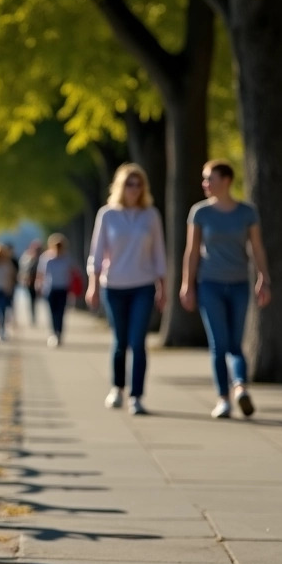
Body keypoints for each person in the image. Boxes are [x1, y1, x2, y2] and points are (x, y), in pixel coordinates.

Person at [179, 159, 271, 418]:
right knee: (219, 344)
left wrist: (264, 278)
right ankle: (223, 399)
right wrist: (187, 284)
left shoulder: (246, 212)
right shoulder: (200, 212)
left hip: (239, 284)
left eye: (210, 178)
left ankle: (240, 387)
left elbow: (257, 248)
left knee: (235, 343)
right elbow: (192, 251)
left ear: (226, 180)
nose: (205, 183)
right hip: (210, 285)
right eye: (204, 179)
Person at [86, 162, 167, 415]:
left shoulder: (151, 215)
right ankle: (117, 388)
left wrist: (162, 287)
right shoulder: (107, 214)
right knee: (120, 341)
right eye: (129, 183)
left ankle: (137, 396)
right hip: (114, 286)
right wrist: (93, 286)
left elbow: (159, 254)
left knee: (138, 341)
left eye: (138, 183)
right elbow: (97, 253)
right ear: (121, 186)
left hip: (143, 285)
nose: (134, 188)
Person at [35, 233, 74, 347]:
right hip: (50, 289)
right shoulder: (46, 258)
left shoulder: (67, 258)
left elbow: (70, 273)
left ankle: (59, 332)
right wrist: (39, 285)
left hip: (63, 288)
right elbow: (41, 273)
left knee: (61, 312)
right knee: (52, 312)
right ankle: (53, 333)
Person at [19, 240, 43, 326]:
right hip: (30, 282)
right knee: (32, 300)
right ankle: (33, 317)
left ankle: (35, 316)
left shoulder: (43, 257)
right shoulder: (27, 257)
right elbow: (24, 270)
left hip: (41, 282)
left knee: (37, 300)